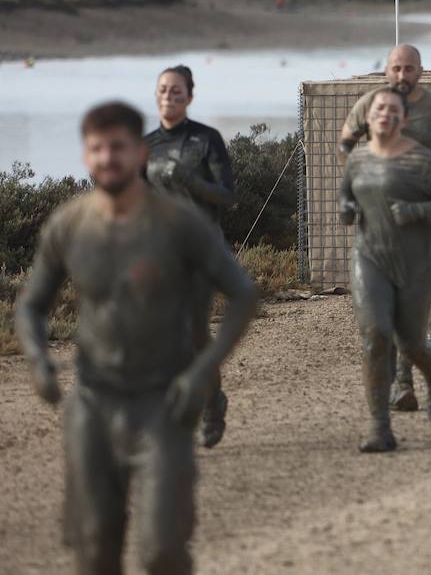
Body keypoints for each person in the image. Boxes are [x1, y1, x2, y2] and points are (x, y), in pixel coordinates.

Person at [16, 102, 256, 573]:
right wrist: (37, 358)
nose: (108, 158)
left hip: (162, 402)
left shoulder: (178, 223)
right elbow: (30, 305)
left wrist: (203, 373)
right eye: (97, 149)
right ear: (86, 156)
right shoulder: (69, 224)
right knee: (94, 548)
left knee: (162, 550)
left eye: (118, 148)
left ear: (139, 152)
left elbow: (244, 295)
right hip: (91, 403)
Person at [338, 44, 431, 411]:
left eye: (409, 69)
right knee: (386, 312)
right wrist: (358, 179)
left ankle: (425, 369)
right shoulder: (371, 105)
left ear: (421, 72)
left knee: (418, 301)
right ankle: (403, 384)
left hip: (426, 217)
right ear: (386, 71)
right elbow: (347, 142)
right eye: (396, 68)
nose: (402, 75)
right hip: (382, 218)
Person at [143, 64, 236, 449]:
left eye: (177, 90)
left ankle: (212, 401)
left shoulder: (207, 138)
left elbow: (229, 196)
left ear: (189, 97)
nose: (169, 95)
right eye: (163, 89)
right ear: (156, 95)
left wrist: (193, 182)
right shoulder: (145, 145)